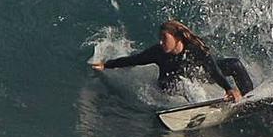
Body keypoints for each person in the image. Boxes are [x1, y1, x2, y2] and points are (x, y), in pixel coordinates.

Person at [91, 20, 254, 102]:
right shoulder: (158, 52)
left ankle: (249, 97)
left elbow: (213, 69)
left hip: (192, 75)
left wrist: (228, 88)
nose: (161, 42)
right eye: (160, 38)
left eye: (164, 38)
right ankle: (199, 107)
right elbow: (134, 59)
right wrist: (106, 65)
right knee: (182, 83)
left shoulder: (196, 48)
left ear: (177, 38)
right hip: (169, 83)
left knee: (234, 64)